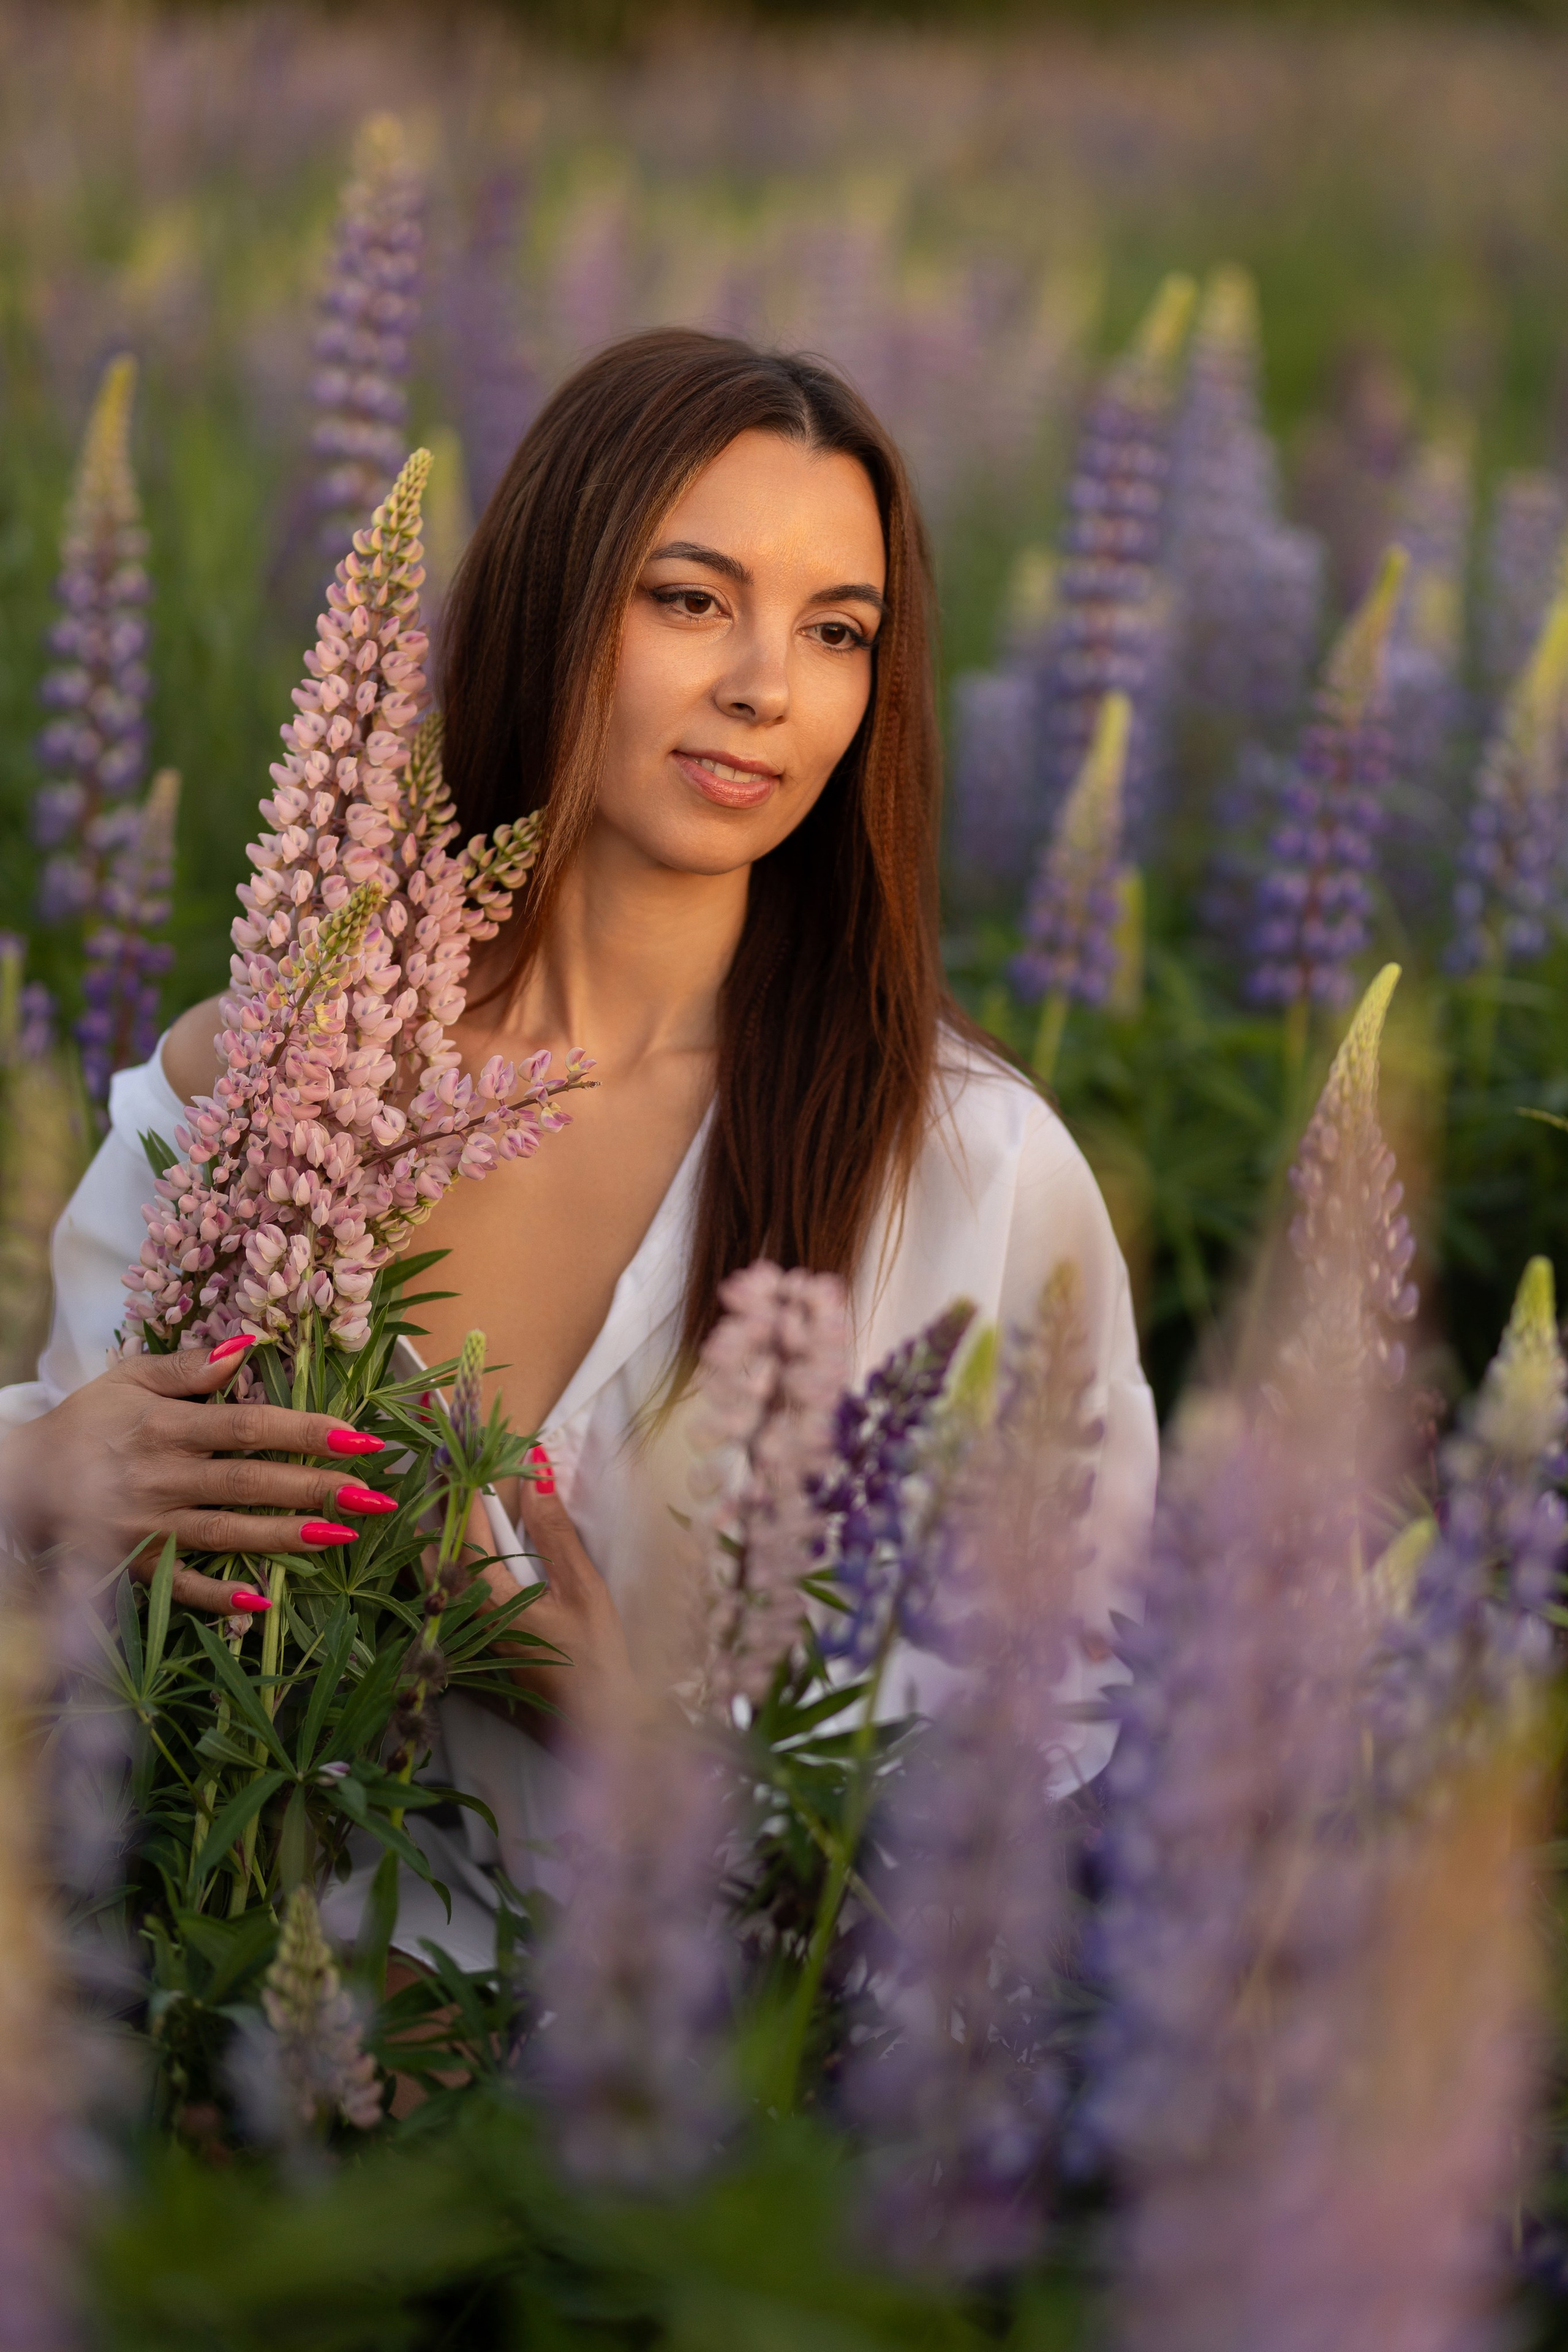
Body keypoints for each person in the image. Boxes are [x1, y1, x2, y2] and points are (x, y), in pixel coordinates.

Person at [0, 330, 1157, 1969]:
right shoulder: (266, 1072)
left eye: (839, 632)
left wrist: (611, 1726)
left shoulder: (969, 1169)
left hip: (651, 2146)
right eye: (691, 599)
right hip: (196, 2070)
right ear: (557, 605)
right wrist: (40, 1481)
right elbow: (63, 1668)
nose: (766, 684)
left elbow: (1050, 1775)